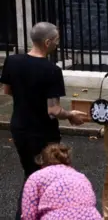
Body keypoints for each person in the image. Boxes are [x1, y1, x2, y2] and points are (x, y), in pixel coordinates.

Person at [0, 22, 86, 219]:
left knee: (30, 173)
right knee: (48, 177)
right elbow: (53, 109)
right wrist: (71, 114)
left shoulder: (12, 61)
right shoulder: (51, 70)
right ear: (47, 42)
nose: (57, 45)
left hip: (20, 128)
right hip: (43, 133)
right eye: (56, 41)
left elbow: (7, 90)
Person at [21, 143, 102, 219]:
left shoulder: (36, 177)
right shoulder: (81, 176)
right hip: (90, 216)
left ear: (42, 162)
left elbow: (29, 213)